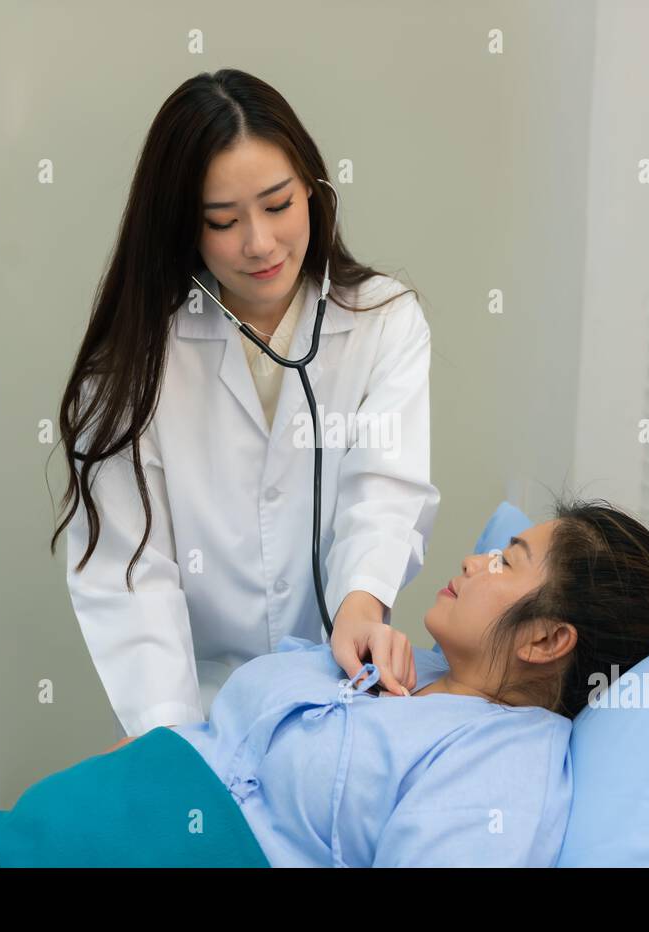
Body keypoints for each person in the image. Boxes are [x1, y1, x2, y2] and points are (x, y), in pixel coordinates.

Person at [0, 496, 649, 868]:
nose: (478, 558)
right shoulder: (400, 674)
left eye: (510, 559)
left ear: (545, 641)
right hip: (38, 833)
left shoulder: (507, 764)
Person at [51, 67, 440, 739]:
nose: (259, 243)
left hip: (331, 696)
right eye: (224, 221)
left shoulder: (383, 321)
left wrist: (360, 602)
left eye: (279, 204)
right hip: (194, 712)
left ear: (316, 193)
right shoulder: (133, 364)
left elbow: (384, 490)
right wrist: (177, 745)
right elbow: (131, 576)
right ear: (186, 230)